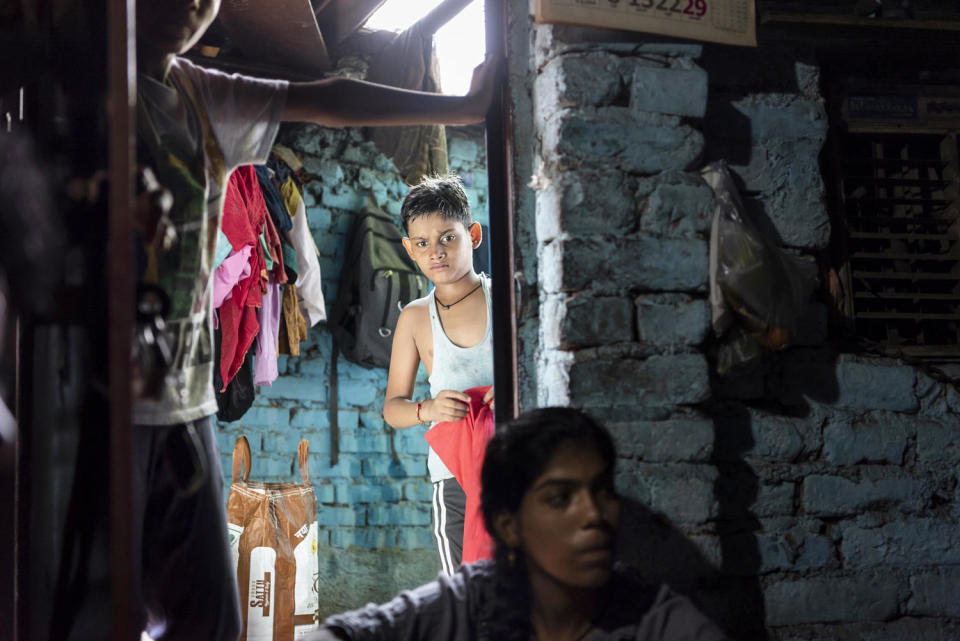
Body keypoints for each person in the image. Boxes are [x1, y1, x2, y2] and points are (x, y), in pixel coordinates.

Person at [65, 1, 497, 640]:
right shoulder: (62, 87)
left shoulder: (197, 93)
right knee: (93, 613)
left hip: (182, 404)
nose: (192, 4)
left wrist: (459, 108)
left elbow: (331, 99)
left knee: (210, 620)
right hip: (83, 406)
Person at [308, 407, 732, 641]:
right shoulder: (472, 603)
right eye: (560, 498)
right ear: (508, 525)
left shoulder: (652, 619)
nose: (594, 516)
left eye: (602, 491)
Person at [383, 174, 494, 574]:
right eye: (424, 244)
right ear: (409, 250)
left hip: (513, 463)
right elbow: (393, 409)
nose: (437, 252)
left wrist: (514, 390)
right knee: (463, 588)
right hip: (452, 477)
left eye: (449, 237)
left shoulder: (506, 299)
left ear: (474, 235)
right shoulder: (414, 318)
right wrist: (428, 408)